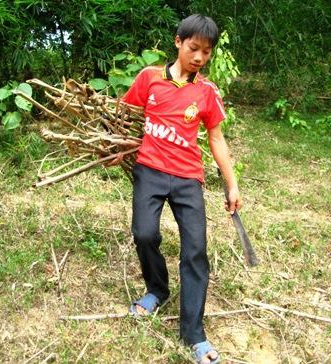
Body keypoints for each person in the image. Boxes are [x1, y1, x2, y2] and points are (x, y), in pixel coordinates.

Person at [122, 14, 242, 364]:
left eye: (206, 52)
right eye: (194, 48)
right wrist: (117, 150)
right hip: (150, 171)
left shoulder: (206, 92)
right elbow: (126, 117)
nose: (200, 58)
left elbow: (216, 139)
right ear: (178, 42)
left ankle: (194, 334)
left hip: (188, 179)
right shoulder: (149, 78)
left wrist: (231, 184)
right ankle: (157, 290)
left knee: (195, 250)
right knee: (144, 234)